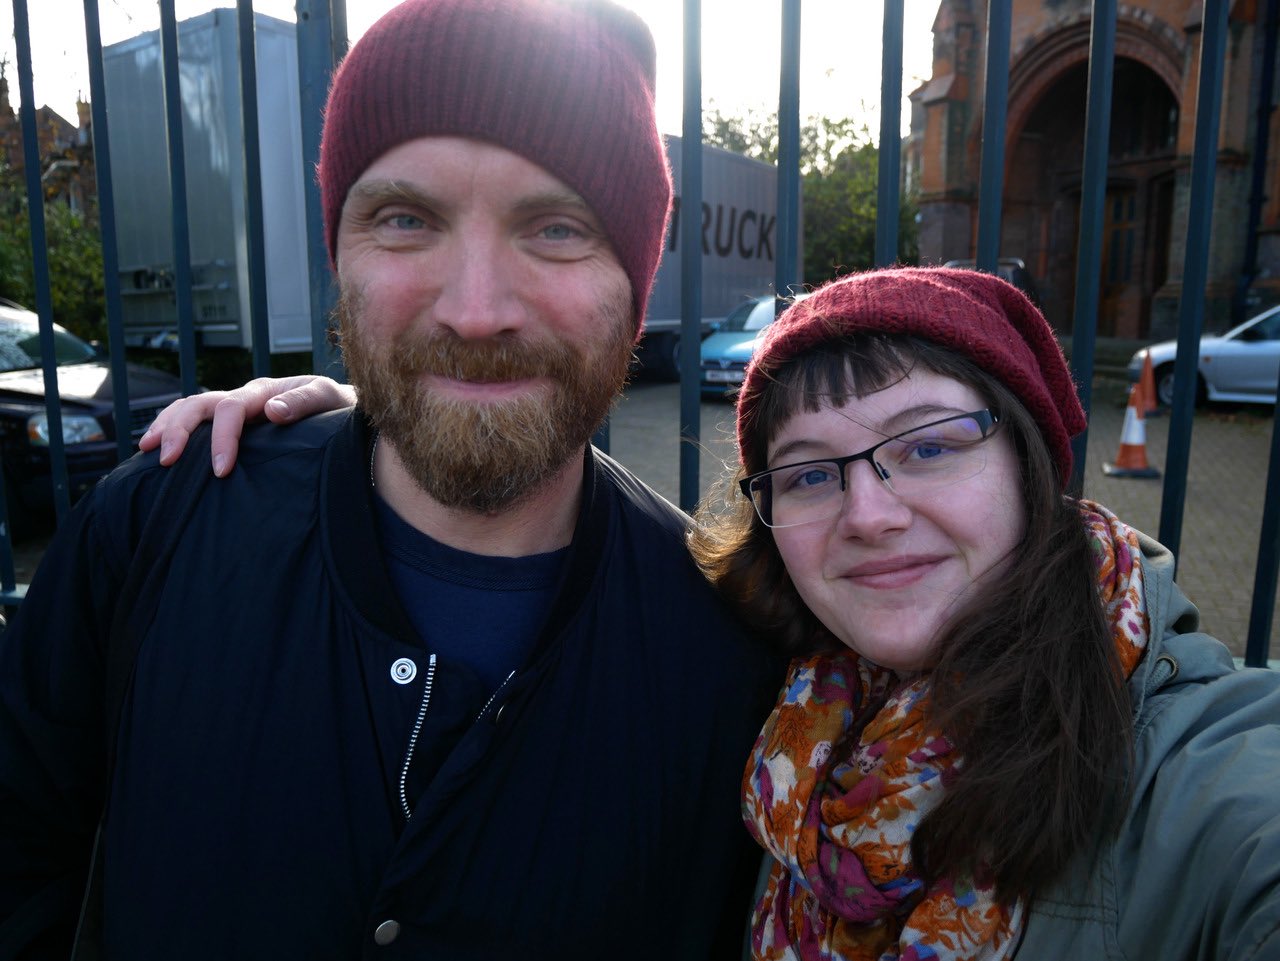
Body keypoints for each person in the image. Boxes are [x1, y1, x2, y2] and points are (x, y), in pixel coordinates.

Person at [175, 266, 1280, 959]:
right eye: (807, 473)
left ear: (1035, 467)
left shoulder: (1200, 776)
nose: (868, 512)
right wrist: (384, 421)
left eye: (928, 445)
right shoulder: (772, 710)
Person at [0, 1, 782, 957]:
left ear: (639, 282)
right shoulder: (155, 529)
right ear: (340, 256)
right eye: (406, 219)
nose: (477, 309)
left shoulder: (722, 659)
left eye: (557, 228)